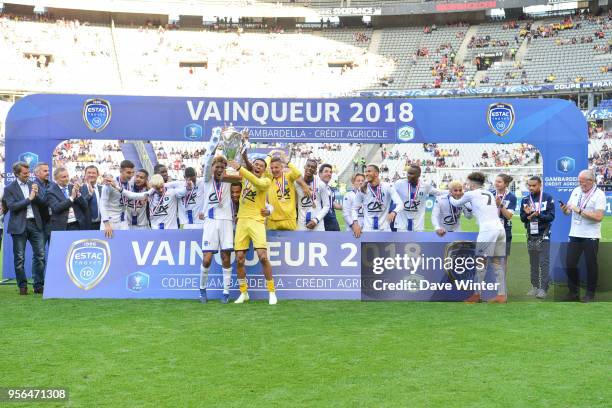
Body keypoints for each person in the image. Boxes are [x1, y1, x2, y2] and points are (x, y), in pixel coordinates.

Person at [449, 172, 507, 303]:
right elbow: (473, 207)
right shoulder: (489, 193)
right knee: (497, 262)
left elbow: (456, 203)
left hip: (488, 230)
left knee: (480, 262)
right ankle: (502, 295)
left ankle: (476, 295)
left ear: (472, 183)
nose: (467, 185)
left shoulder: (471, 194)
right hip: (499, 229)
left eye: (468, 182)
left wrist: (449, 194)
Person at [196, 141, 241, 304]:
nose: (219, 169)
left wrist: (241, 144)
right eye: (217, 166)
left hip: (226, 221)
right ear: (212, 168)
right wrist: (216, 140)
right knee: (207, 258)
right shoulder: (207, 179)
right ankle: (202, 290)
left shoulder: (228, 179)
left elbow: (239, 167)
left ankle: (226, 292)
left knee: (226, 257)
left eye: (222, 167)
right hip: (210, 221)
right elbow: (208, 158)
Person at [227, 158, 277, 305]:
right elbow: (230, 177)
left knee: (262, 257)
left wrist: (240, 168)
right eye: (256, 164)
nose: (258, 167)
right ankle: (244, 293)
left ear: (264, 170)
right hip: (242, 221)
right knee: (240, 259)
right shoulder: (244, 178)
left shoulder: (266, 181)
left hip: (257, 221)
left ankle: (272, 292)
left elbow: (258, 183)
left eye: (261, 166)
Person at [560, 170, 606, 302]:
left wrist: (579, 210)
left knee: (591, 264)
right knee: (570, 263)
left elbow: (599, 217)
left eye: (583, 181)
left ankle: (590, 294)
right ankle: (573, 292)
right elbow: (569, 211)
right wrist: (565, 210)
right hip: (575, 233)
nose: (580, 184)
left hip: (591, 235)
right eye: (579, 181)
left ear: (591, 181)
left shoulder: (599, 195)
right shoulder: (576, 190)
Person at [4, 161, 46, 295]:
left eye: (28, 173)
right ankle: (22, 286)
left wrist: (36, 195)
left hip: (35, 224)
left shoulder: (32, 185)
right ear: (16, 174)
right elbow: (12, 207)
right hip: (18, 226)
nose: (28, 175)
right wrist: (29, 198)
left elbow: (42, 204)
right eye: (25, 173)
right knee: (20, 258)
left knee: (40, 255)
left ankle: (38, 285)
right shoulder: (9, 188)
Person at [520, 176, 555, 299]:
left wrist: (539, 214)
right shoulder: (525, 199)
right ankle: (534, 286)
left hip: (544, 234)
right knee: (533, 263)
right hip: (531, 235)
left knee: (543, 262)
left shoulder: (547, 197)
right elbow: (522, 218)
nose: (531, 187)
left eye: (534, 185)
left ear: (540, 185)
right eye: (529, 185)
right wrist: (527, 214)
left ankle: (543, 289)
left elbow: (551, 217)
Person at [351, 164, 402, 237]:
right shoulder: (362, 189)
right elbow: (354, 208)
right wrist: (355, 224)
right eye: (366, 172)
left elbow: (400, 204)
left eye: (369, 171)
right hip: (368, 230)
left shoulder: (388, 186)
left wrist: (393, 213)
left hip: (385, 230)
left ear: (376, 173)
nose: (366, 174)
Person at [263, 150, 304, 231]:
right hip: (273, 219)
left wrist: (287, 161)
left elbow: (298, 173)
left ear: (282, 167)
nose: (274, 170)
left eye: (276, 167)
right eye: (272, 168)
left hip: (289, 219)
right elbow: (263, 168)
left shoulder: (288, 176)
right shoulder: (269, 178)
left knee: (292, 242)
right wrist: (269, 155)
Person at [393, 165, 441, 232]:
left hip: (418, 225)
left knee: (416, 242)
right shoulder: (399, 183)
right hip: (402, 224)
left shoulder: (425, 186)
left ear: (418, 175)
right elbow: (388, 191)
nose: (408, 175)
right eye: (408, 173)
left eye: (411, 174)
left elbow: (439, 193)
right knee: (402, 242)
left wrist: (453, 192)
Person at [100, 160, 135, 238]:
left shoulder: (131, 182)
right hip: (110, 220)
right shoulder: (110, 183)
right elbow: (102, 204)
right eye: (128, 172)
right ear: (120, 171)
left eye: (133, 172)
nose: (131, 175)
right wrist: (106, 223)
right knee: (109, 246)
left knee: (125, 243)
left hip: (123, 220)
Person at [46, 167, 89, 231]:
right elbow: (56, 208)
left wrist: (78, 195)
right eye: (63, 177)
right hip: (62, 227)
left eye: (67, 176)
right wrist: (72, 197)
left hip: (78, 225)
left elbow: (85, 205)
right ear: (56, 179)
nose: (67, 179)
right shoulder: (50, 191)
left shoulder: (73, 187)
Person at [295, 159, 329, 232]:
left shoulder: (321, 184)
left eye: (313, 167)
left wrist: (316, 220)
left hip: (317, 224)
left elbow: (327, 206)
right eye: (308, 166)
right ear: (304, 167)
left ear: (315, 170)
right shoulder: (296, 183)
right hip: (302, 223)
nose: (310, 168)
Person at [494, 174, 517, 257]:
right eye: (496, 181)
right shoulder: (490, 194)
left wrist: (500, 204)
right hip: (491, 228)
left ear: (506, 184)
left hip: (505, 229)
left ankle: (502, 271)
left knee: (503, 257)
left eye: (499, 182)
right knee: (488, 255)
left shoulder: (512, 197)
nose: (496, 183)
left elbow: (509, 216)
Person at [32, 162, 51, 245]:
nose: (48, 173)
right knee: (40, 253)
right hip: (40, 224)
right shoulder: (32, 185)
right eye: (45, 171)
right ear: (37, 173)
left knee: (56, 250)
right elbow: (43, 202)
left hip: (53, 222)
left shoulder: (52, 184)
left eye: (48, 170)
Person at [80, 165, 103, 231]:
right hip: (86, 226)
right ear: (85, 174)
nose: (91, 175)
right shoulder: (80, 189)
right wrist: (89, 194)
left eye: (93, 173)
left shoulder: (102, 189)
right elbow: (80, 205)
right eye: (89, 173)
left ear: (98, 174)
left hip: (101, 225)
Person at [319, 163, 341, 231]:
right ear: (319, 174)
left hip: (333, 221)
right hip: (321, 221)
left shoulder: (330, 189)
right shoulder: (316, 187)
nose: (329, 174)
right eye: (326, 171)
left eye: (330, 172)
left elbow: (332, 203)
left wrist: (345, 207)